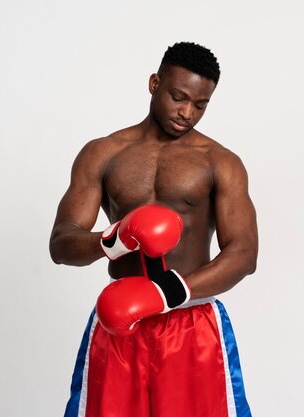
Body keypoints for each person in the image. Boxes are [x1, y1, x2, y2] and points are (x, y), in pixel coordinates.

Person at [50, 41, 258, 417]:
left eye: (200, 104)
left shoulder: (221, 162)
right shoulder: (103, 153)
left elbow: (244, 254)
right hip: (119, 321)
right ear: (154, 83)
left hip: (191, 325)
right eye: (179, 97)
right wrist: (114, 240)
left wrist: (168, 293)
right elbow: (62, 245)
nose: (187, 112)